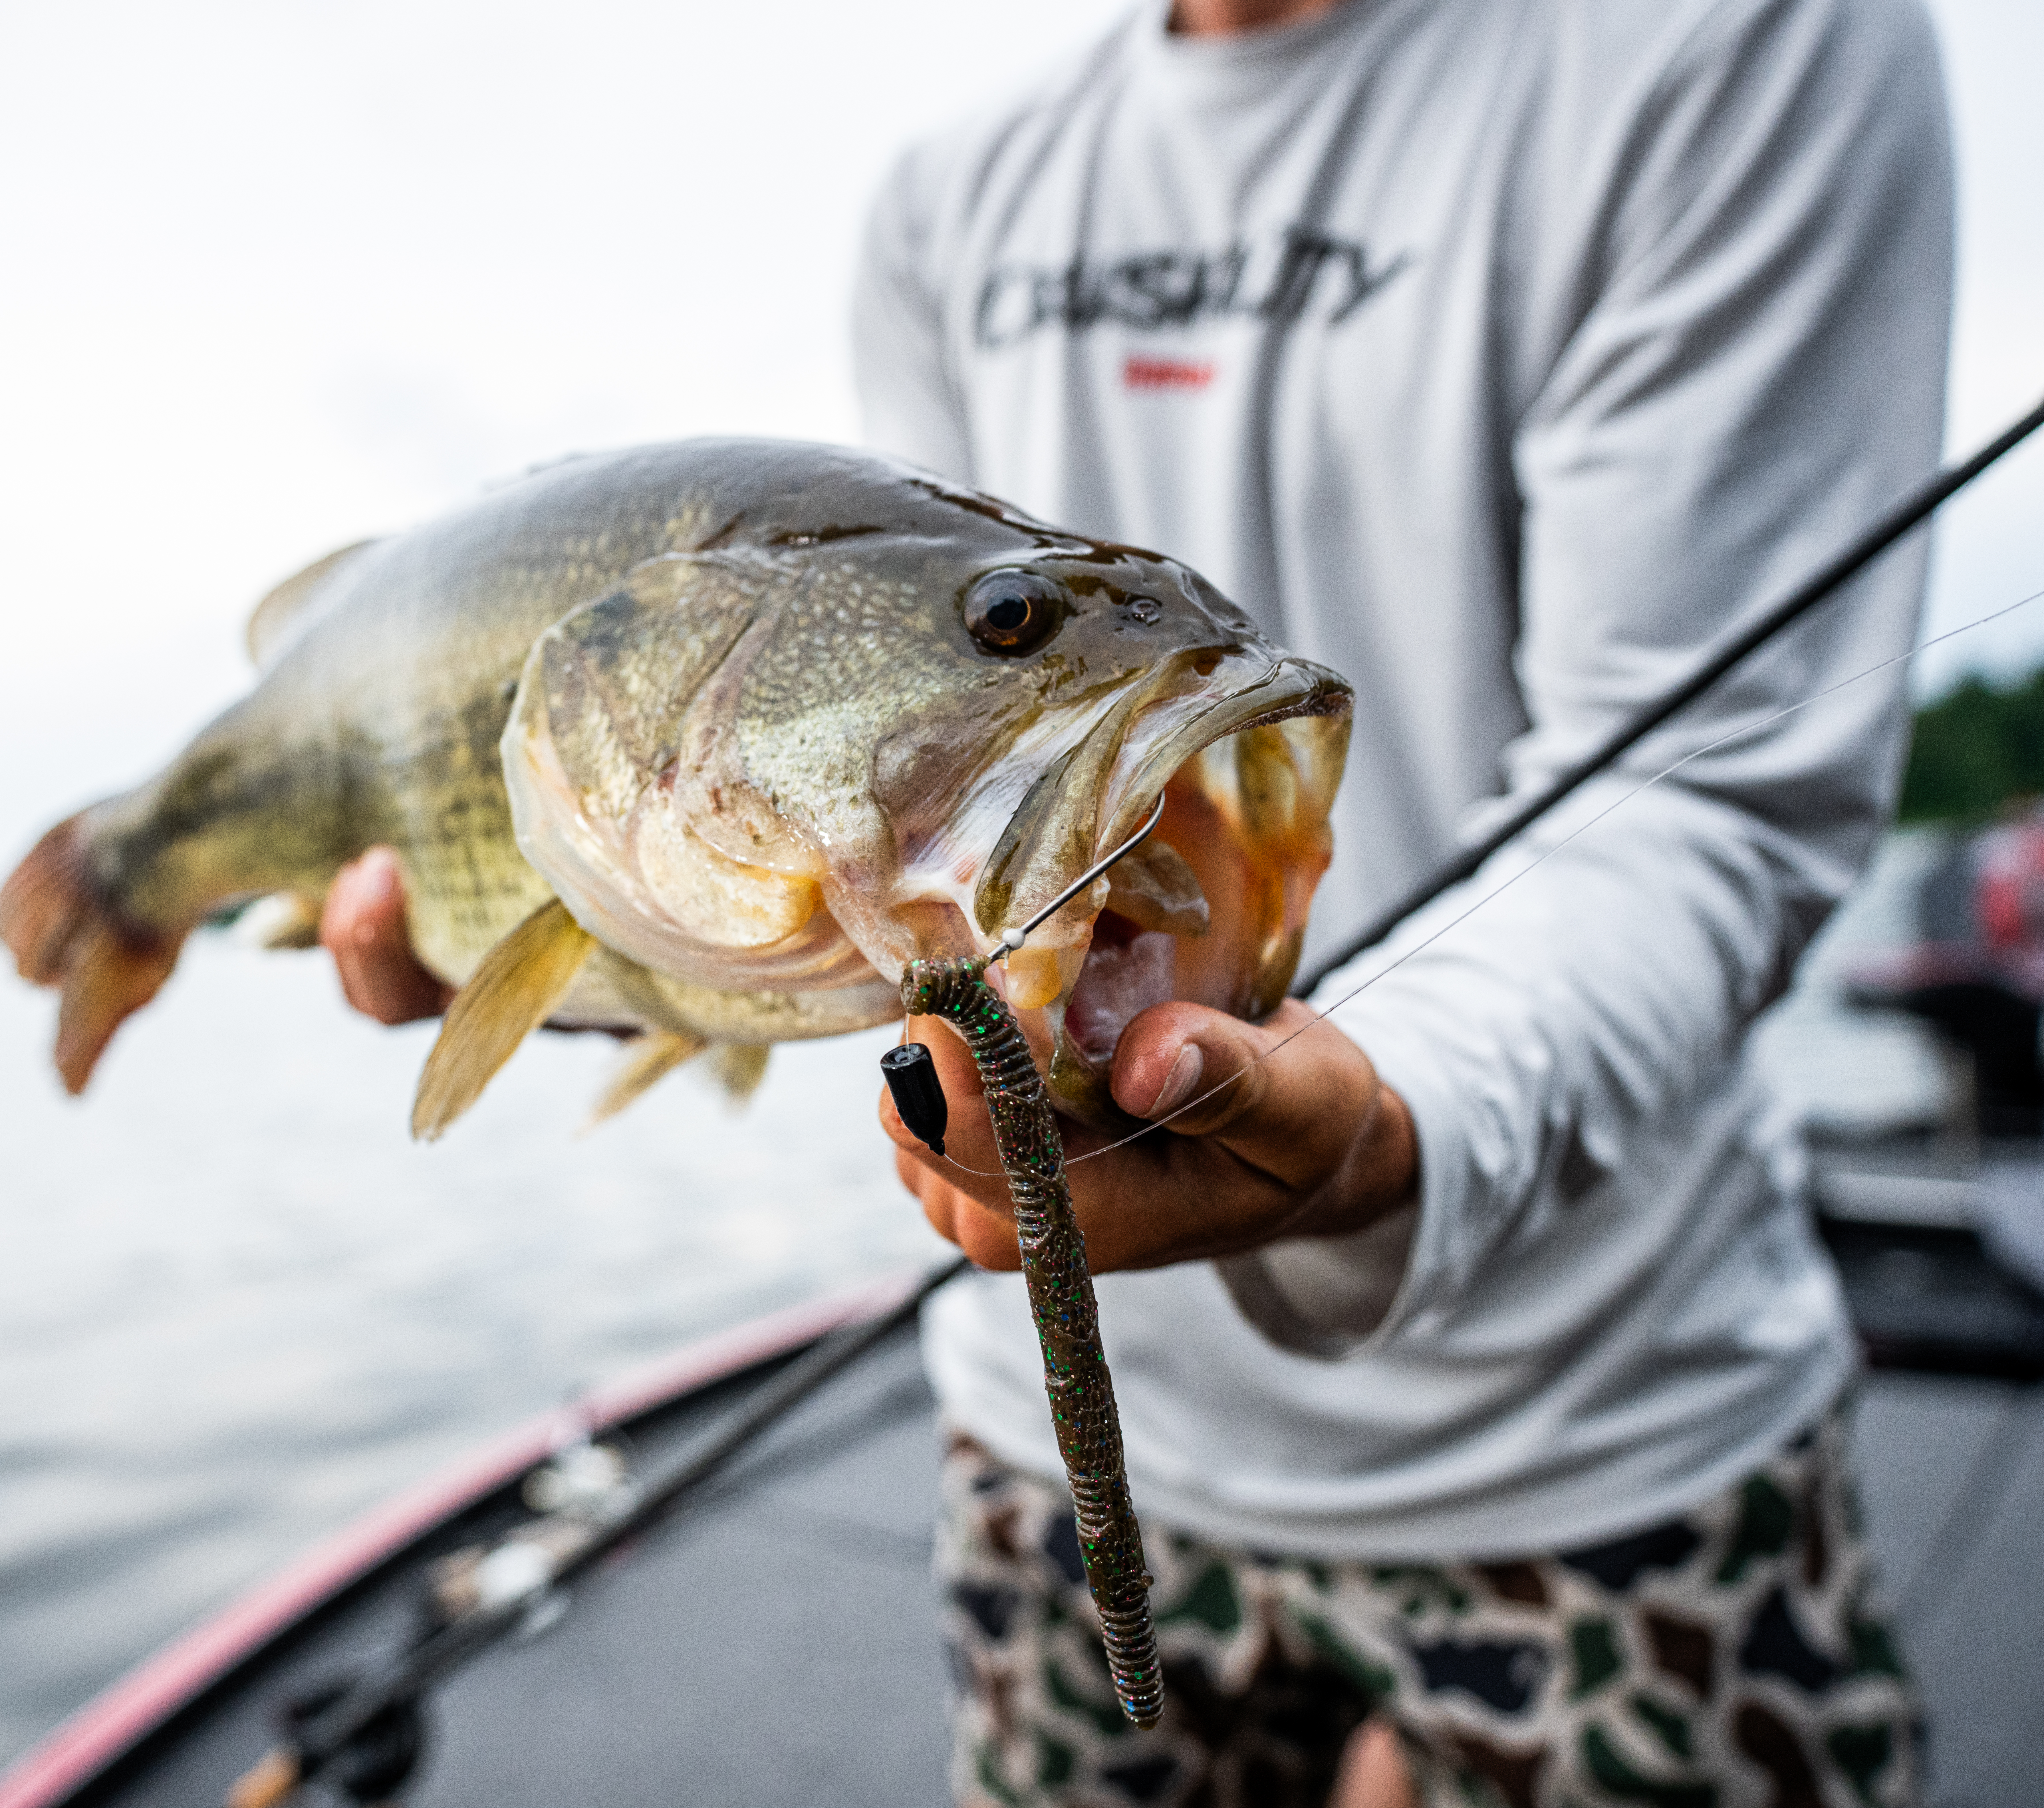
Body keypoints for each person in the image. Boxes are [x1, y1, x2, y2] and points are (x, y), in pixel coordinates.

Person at [323, 0, 1954, 1800]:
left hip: (1600, 1430)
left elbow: (1715, 785)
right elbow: (871, 831)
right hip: (1050, 1433)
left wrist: (1388, 1127)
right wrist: (587, 953)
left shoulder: (1735, 43)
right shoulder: (951, 204)